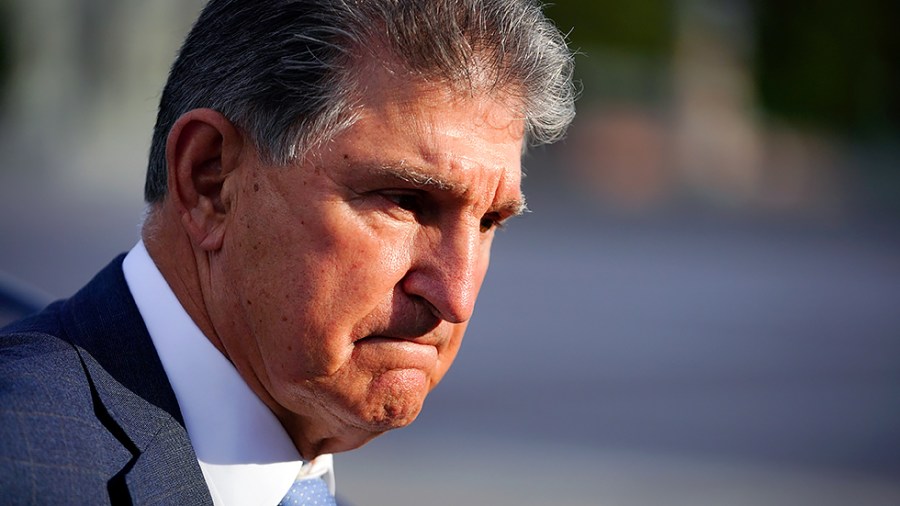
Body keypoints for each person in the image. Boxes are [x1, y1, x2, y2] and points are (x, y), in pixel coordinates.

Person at [0, 0, 575, 504]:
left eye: (489, 221)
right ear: (209, 181)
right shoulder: (25, 466)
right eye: (406, 200)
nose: (458, 295)